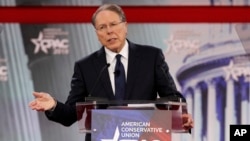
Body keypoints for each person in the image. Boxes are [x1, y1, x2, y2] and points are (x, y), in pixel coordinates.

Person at [29, 3, 194, 140]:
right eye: (102, 27)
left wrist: (181, 114)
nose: (109, 31)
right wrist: (53, 106)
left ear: (125, 26)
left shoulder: (151, 57)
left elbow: (172, 96)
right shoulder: (85, 67)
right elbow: (71, 114)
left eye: (113, 24)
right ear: (97, 34)